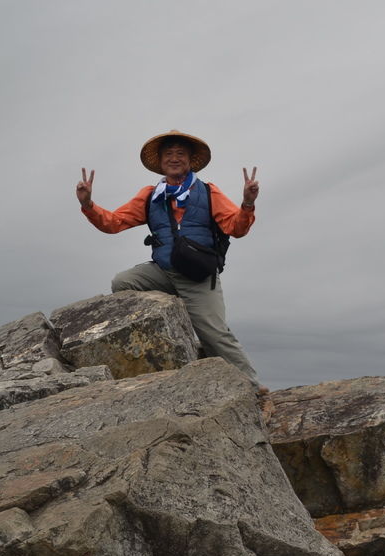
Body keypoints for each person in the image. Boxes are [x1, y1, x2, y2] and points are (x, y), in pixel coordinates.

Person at [76, 129, 267, 394]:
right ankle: (165, 344)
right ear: (161, 162)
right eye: (169, 154)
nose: (174, 158)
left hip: (199, 277)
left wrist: (247, 203)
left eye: (180, 154)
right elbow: (114, 223)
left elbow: (237, 228)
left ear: (190, 161)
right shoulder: (150, 195)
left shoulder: (208, 192)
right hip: (163, 271)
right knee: (123, 282)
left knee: (215, 334)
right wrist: (88, 205)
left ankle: (254, 388)